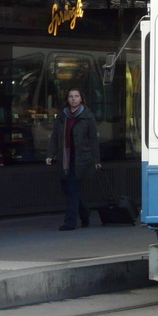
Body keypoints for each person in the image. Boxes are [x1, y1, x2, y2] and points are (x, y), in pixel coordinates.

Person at [46, 87, 101, 230]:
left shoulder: (87, 116)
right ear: (67, 99)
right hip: (64, 158)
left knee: (72, 189)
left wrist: (96, 160)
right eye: (71, 96)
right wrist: (50, 155)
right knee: (69, 190)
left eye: (76, 96)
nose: (73, 99)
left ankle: (70, 222)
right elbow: (55, 137)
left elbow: (93, 139)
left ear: (81, 98)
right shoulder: (62, 116)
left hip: (81, 159)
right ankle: (85, 213)